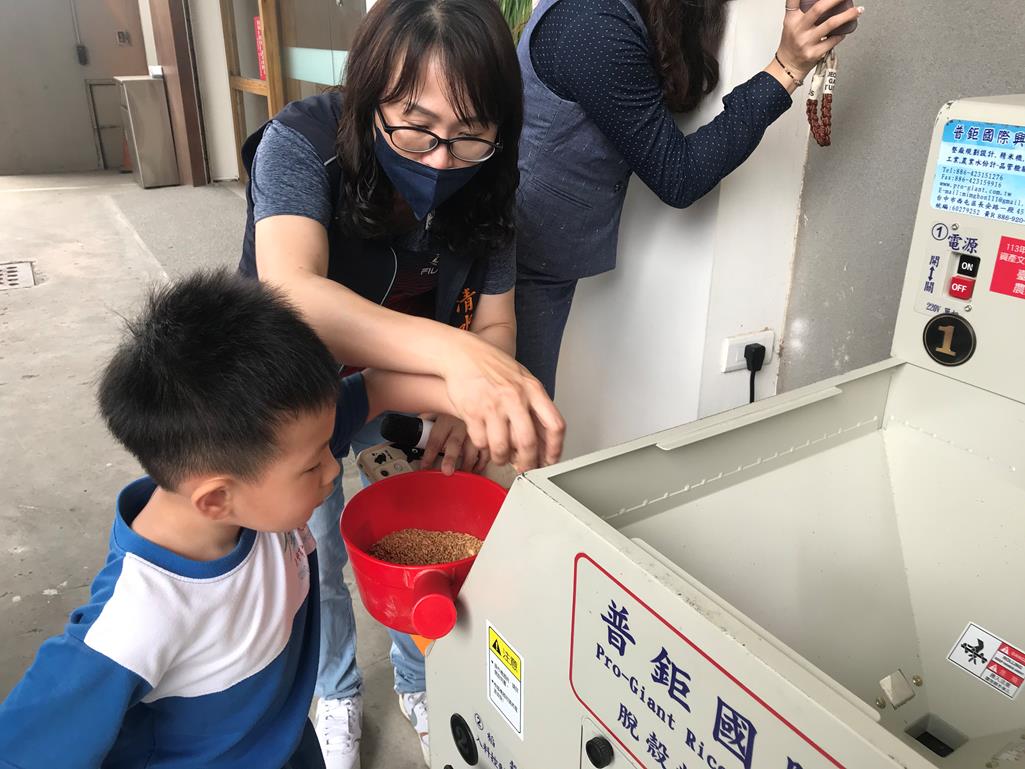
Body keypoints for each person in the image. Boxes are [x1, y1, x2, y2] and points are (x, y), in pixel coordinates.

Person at [238, 1, 565, 766]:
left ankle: (421, 677)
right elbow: (293, 292)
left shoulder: (491, 178)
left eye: (470, 132)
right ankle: (335, 688)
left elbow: (493, 323)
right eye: (415, 128)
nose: (442, 160)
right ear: (367, 99)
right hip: (297, 391)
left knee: (413, 546)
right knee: (315, 549)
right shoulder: (300, 145)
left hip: (406, 389)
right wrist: (455, 363)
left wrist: (463, 398)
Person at [0, 271, 477, 769]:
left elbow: (377, 388)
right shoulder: (132, 622)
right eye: (314, 464)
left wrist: (482, 398)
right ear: (215, 499)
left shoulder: (260, 473)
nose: (334, 468)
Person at [514, 0, 865, 395]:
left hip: (540, 252)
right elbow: (679, 177)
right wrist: (786, 68)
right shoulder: (594, 25)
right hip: (518, 252)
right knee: (518, 414)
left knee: (519, 412)